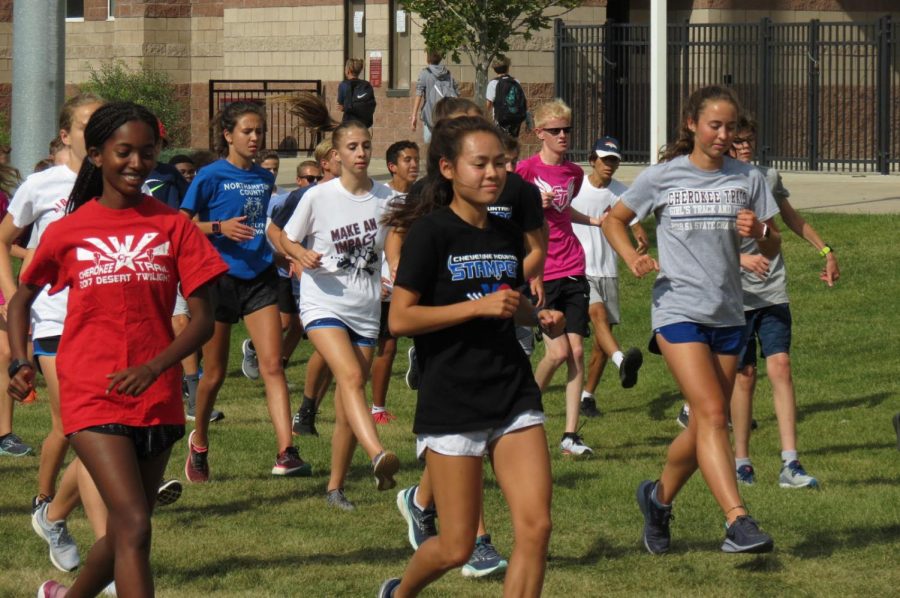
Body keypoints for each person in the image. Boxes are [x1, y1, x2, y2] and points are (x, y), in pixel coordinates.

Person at [7, 100, 227, 598]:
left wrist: (155, 367)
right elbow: (22, 298)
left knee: (129, 529)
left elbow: (203, 321)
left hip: (158, 394)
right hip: (92, 390)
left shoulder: (174, 226)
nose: (136, 163)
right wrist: (21, 360)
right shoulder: (68, 230)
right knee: (134, 525)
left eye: (147, 153)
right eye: (124, 151)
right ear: (97, 155)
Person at [378, 116, 562, 598]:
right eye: (479, 164)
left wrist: (534, 317)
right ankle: (399, 593)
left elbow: (505, 301)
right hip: (453, 397)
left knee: (536, 528)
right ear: (448, 168)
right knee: (457, 545)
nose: (493, 173)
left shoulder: (505, 233)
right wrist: (476, 306)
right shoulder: (430, 234)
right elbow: (400, 319)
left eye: (499, 163)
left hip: (511, 390)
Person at [602, 85, 780, 555]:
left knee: (703, 425)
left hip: (728, 312)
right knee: (714, 415)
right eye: (714, 125)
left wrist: (760, 231)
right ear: (692, 125)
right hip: (677, 309)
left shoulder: (748, 178)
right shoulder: (663, 176)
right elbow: (613, 220)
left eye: (730, 127)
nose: (723, 135)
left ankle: (657, 501)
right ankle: (737, 521)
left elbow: (773, 244)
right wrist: (632, 258)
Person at [280, 93, 399, 510]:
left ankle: (334, 487)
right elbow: (280, 236)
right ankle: (376, 454)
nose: (362, 153)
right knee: (350, 377)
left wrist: (395, 274)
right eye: (353, 147)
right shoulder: (319, 196)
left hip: (365, 307)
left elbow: (396, 247)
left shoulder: (388, 199)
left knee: (350, 399)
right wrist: (298, 254)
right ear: (336, 155)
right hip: (322, 303)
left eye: (366, 146)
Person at [180, 101, 310, 482]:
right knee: (215, 374)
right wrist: (219, 228)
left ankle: (286, 451)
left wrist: (279, 256)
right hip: (218, 280)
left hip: (259, 279)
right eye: (248, 132)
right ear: (228, 135)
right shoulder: (209, 175)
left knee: (272, 366)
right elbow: (182, 226)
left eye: (260, 132)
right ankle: (199, 442)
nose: (255, 139)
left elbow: (260, 225)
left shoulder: (264, 178)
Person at [0, 94, 103, 572]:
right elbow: (3, 240)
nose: (96, 133)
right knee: (86, 430)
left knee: (91, 429)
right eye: (87, 125)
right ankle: (106, 546)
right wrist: (16, 297)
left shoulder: (116, 184)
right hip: (55, 321)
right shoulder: (42, 186)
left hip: (106, 322)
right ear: (66, 134)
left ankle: (51, 510)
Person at [728, 116, 837, 488]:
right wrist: (740, 259)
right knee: (744, 376)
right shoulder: (718, 181)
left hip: (772, 289)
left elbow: (790, 220)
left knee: (782, 366)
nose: (744, 146)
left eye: (749, 140)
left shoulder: (767, 177)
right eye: (737, 140)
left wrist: (825, 250)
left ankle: (790, 464)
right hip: (734, 295)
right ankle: (742, 462)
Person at [516, 99, 605, 457]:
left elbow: (564, 212)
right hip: (542, 271)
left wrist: (595, 221)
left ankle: (570, 435)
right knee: (556, 352)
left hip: (573, 266)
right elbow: (510, 219)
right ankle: (522, 411)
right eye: (555, 131)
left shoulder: (574, 174)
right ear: (539, 133)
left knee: (577, 351)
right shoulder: (523, 171)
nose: (563, 136)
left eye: (567, 129)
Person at [267, 140, 339, 438]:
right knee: (328, 346)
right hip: (316, 281)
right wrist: (293, 254)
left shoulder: (361, 192)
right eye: (341, 151)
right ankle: (307, 411)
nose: (355, 155)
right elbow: (274, 228)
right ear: (326, 162)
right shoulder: (306, 194)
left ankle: (308, 414)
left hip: (351, 282)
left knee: (341, 358)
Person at [570, 136, 647, 418]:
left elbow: (636, 223)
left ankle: (587, 396)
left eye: (614, 160)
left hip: (609, 271)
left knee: (602, 342)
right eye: (605, 160)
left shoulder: (620, 192)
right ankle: (622, 360)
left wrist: (640, 239)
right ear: (593, 160)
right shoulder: (576, 188)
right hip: (580, 269)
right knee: (599, 316)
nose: (610, 165)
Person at [371, 141, 419, 425]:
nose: (414, 165)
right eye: (407, 160)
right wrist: (378, 277)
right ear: (392, 166)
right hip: (387, 283)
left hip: (417, 281)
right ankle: (377, 407)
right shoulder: (381, 198)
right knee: (385, 346)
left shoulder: (422, 197)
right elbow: (374, 241)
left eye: (416, 159)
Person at [241, 150, 293, 380]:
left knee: (293, 322)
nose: (272, 173)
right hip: (263, 265)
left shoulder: (285, 196)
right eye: (268, 168)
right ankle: (255, 351)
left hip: (285, 263)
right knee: (282, 321)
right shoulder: (251, 196)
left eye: (275, 168)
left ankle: (273, 363)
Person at [411, 50, 459, 144]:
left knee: (429, 141)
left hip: (430, 112)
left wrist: (414, 115)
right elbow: (456, 92)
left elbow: (419, 93)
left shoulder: (425, 73)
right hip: (445, 112)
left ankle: (433, 158)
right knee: (444, 141)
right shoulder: (448, 74)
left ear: (428, 59)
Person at [485, 56, 528, 138]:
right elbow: (523, 101)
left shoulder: (493, 83)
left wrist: (485, 118)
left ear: (494, 69)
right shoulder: (515, 81)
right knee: (513, 141)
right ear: (508, 68)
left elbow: (488, 104)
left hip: (501, 120)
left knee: (501, 142)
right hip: (516, 119)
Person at [337, 58, 377, 128]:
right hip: (364, 124)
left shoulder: (343, 85)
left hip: (349, 123)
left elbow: (340, 106)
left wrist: (345, 107)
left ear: (348, 71)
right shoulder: (367, 85)